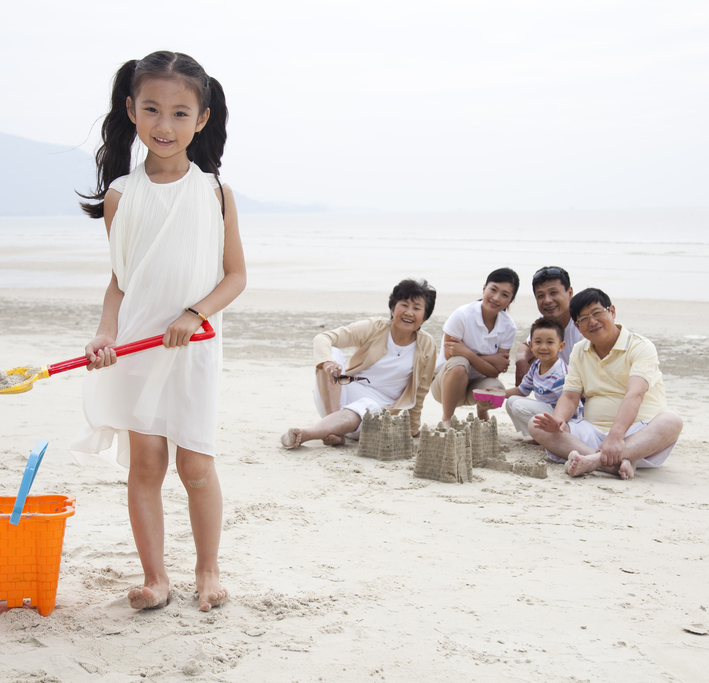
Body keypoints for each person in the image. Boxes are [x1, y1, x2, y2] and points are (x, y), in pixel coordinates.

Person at [69, 51, 246, 612]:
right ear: (132, 110)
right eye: (151, 110)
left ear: (202, 118)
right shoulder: (122, 194)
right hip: (139, 347)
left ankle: (208, 568)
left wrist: (194, 313)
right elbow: (123, 279)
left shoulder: (215, 192)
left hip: (193, 347)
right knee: (146, 464)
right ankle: (156, 578)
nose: (164, 125)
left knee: (196, 464)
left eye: (179, 112)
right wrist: (105, 333)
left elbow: (236, 277)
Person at [528, 288, 683, 480]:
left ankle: (594, 461)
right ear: (577, 326)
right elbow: (570, 396)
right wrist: (558, 421)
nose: (592, 322)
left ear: (612, 312)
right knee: (535, 424)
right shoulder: (579, 350)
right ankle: (611, 463)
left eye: (597, 313)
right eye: (583, 319)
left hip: (638, 437)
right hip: (592, 433)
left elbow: (635, 394)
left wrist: (616, 437)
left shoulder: (641, 346)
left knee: (672, 421)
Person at [281, 279, 437, 448]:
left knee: (368, 405)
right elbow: (323, 338)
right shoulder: (374, 327)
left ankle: (306, 434)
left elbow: (420, 391)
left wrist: (413, 428)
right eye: (404, 305)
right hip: (334, 400)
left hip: (373, 415)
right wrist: (328, 363)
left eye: (416, 308)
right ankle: (333, 431)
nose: (409, 312)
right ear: (393, 308)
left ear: (424, 316)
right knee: (332, 353)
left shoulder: (427, 345)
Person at [431, 268, 519, 429]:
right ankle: (446, 419)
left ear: (511, 300)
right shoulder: (462, 315)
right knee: (459, 363)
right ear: (484, 288)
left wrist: (466, 352)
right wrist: (488, 359)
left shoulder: (508, 327)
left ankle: (482, 409)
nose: (496, 298)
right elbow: (450, 356)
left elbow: (495, 371)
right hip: (445, 385)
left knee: (497, 389)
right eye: (493, 290)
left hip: (477, 385)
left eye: (505, 295)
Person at [503, 317, 575, 439]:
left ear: (561, 346)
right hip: (546, 409)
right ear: (530, 345)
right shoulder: (536, 365)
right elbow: (522, 390)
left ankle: (547, 438)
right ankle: (533, 436)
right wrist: (498, 393)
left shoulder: (560, 374)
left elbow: (569, 404)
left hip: (559, 415)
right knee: (511, 402)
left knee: (519, 406)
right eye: (538, 342)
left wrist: (566, 427)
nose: (543, 347)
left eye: (550, 342)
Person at [514, 266, 583, 386]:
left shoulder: (583, 322)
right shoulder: (546, 319)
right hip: (561, 388)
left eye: (553, 293)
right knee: (532, 355)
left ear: (570, 293)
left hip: (586, 389)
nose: (547, 301)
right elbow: (527, 345)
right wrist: (521, 360)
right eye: (541, 296)